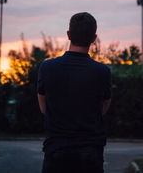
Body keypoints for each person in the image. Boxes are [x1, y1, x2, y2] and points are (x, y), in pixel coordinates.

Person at [37, 12, 112, 173]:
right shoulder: (103, 71)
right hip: (90, 152)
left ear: (69, 35)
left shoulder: (47, 68)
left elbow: (43, 106)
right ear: (94, 38)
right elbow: (104, 107)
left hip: (56, 150)